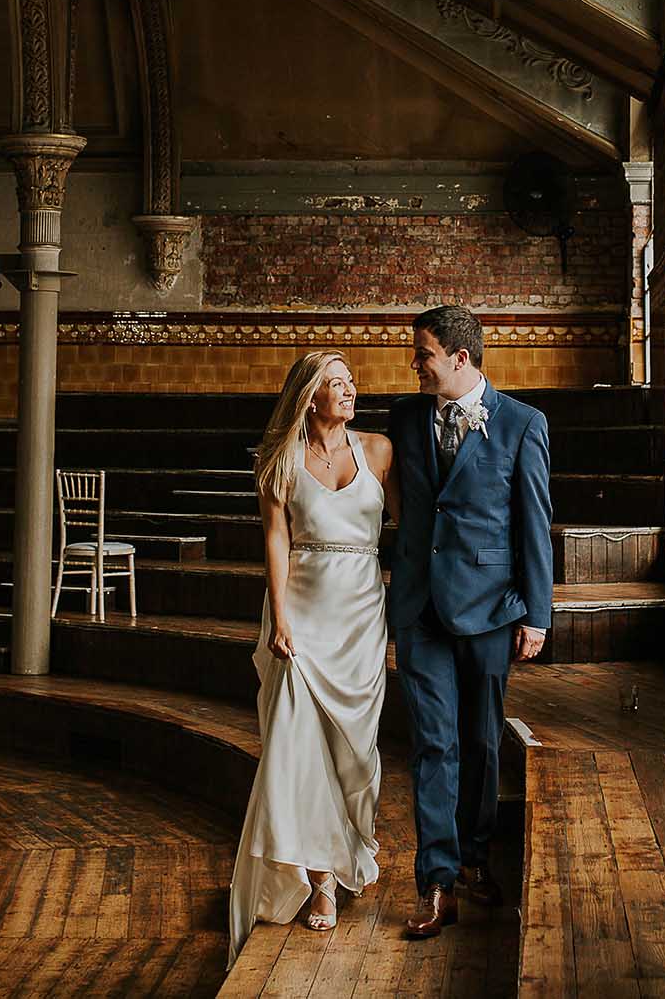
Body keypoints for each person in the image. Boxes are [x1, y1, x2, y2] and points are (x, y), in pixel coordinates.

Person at [385, 305, 552, 938]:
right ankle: (436, 881)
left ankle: (477, 860)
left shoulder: (521, 424)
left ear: (459, 358)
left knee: (482, 742)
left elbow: (533, 525)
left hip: (490, 610)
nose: (415, 365)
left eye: (423, 354)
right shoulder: (401, 419)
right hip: (420, 609)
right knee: (434, 743)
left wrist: (537, 613)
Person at [227, 349, 396, 967]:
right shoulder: (282, 462)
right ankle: (321, 878)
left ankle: (353, 845)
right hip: (301, 618)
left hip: (362, 620)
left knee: (356, 751)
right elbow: (275, 538)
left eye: (351, 383)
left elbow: (406, 528)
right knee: (301, 749)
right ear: (309, 396)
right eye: (336, 384)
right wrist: (281, 617)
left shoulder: (378, 452)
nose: (350, 392)